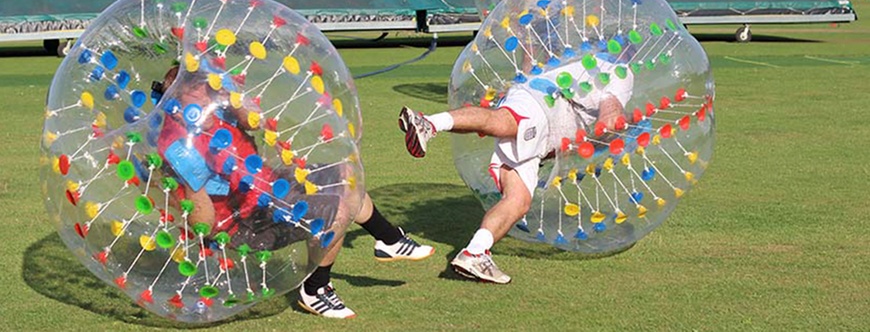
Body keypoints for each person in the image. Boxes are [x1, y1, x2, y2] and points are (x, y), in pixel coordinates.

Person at [155, 63, 434, 319]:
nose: (208, 98)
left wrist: (229, 96)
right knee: (338, 210)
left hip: (267, 185)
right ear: (177, 101)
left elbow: (255, 121)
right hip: (244, 222)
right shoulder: (179, 147)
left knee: (344, 175)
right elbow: (204, 225)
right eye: (200, 92)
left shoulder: (215, 111)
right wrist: (193, 186)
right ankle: (315, 290)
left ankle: (387, 239)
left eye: (210, 89)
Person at [398, 53, 633, 284]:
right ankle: (428, 123)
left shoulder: (580, 55)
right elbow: (609, 118)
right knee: (502, 122)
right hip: (545, 104)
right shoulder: (620, 72)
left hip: (544, 131)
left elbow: (530, 60)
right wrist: (624, 125)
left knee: (519, 200)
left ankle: (475, 253)